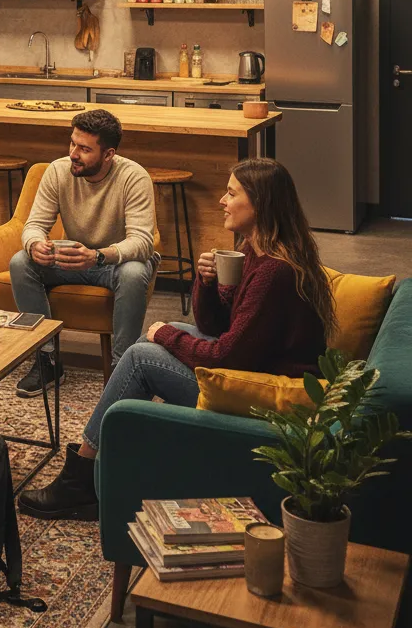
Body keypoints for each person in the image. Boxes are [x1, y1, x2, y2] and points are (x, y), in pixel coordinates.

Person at [18, 157, 333, 521]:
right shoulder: (256, 252)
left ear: (259, 203)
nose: (222, 201)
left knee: (141, 355)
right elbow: (214, 327)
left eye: (231, 193)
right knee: (151, 343)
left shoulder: (274, 272)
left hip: (266, 395)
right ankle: (103, 461)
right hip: (256, 371)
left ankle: (80, 481)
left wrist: (164, 334)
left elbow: (223, 356)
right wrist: (207, 282)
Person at [9, 109, 157, 397]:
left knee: (135, 271)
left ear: (108, 154)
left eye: (85, 149)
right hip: (74, 258)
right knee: (20, 262)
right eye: (72, 144)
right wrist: (35, 244)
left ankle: (121, 370)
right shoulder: (58, 170)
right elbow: (34, 225)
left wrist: (99, 256)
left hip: (112, 261)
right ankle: (47, 359)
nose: (74, 154)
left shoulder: (134, 177)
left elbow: (142, 242)